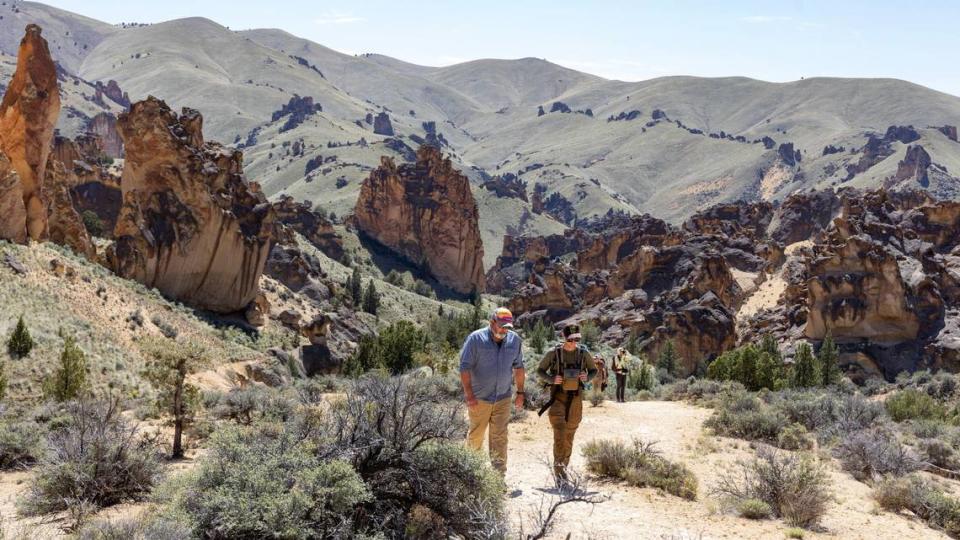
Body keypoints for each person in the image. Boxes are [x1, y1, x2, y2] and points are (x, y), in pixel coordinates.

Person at [459, 307, 526, 475]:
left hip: (503, 398)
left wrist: (520, 393)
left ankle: (498, 476)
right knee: (476, 437)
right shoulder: (475, 339)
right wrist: (469, 395)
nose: (504, 330)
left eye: (508, 327)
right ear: (492, 322)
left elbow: (519, 367)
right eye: (501, 326)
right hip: (479, 398)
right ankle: (470, 474)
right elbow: (464, 367)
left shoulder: (514, 341)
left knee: (500, 438)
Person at [536, 323, 597, 481]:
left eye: (577, 339)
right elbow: (539, 370)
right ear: (564, 338)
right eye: (570, 340)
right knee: (560, 435)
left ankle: (564, 466)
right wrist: (552, 379)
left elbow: (594, 370)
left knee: (569, 436)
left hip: (576, 400)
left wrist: (587, 377)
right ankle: (560, 473)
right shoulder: (553, 353)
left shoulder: (583, 353)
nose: (573, 343)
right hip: (558, 399)